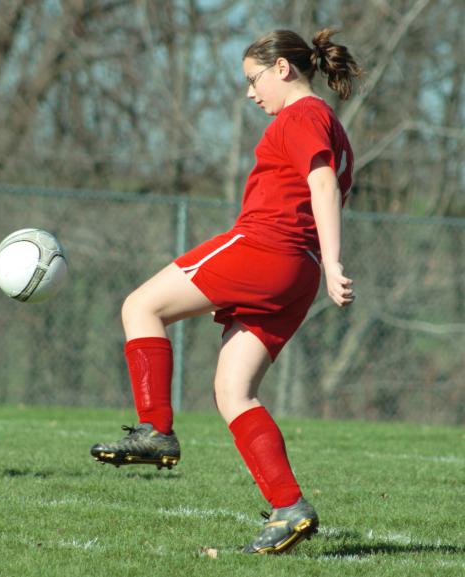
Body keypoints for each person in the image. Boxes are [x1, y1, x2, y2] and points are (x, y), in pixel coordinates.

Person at [91, 28, 361, 555]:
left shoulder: (302, 115)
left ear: (283, 68)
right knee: (233, 393)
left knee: (140, 306)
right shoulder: (329, 124)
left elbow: (322, 183)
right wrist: (320, 266)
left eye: (253, 79)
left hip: (267, 248)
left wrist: (335, 262)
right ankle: (289, 507)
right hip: (295, 274)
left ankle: (156, 430)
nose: (250, 93)